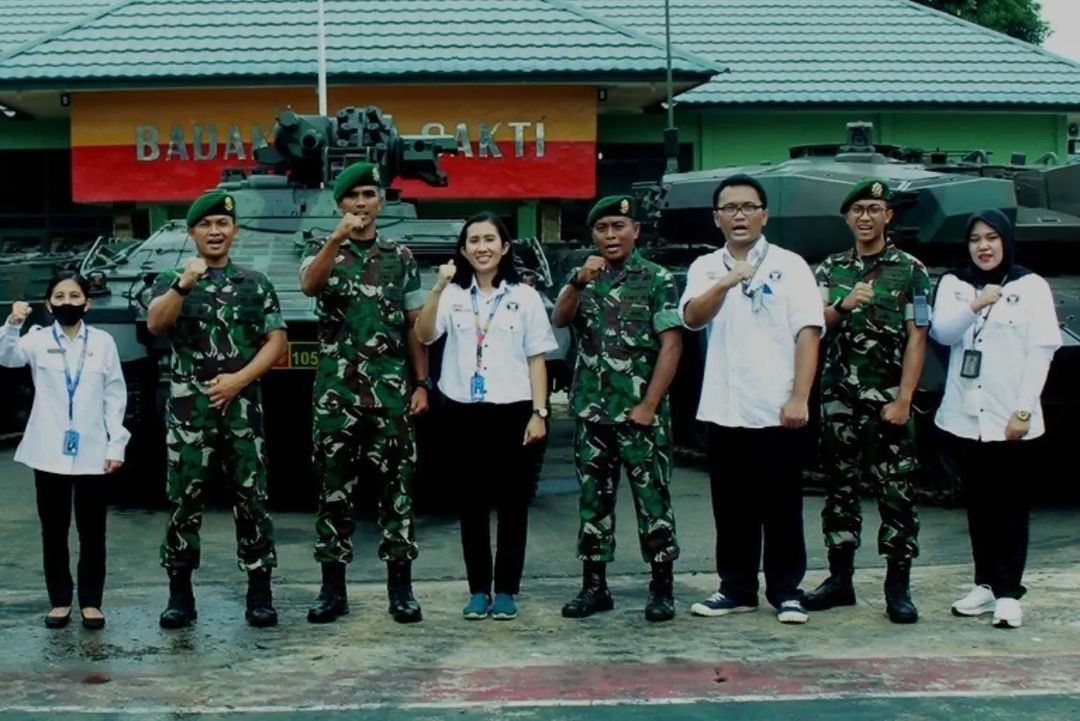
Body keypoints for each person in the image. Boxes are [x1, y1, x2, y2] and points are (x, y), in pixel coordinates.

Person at [679, 174, 823, 625]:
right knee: (731, 506)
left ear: (764, 213)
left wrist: (800, 396)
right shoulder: (705, 266)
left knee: (781, 505)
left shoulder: (791, 265)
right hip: (725, 407)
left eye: (748, 207)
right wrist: (725, 282)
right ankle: (736, 587)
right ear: (716, 217)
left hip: (777, 408)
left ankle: (786, 590)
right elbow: (692, 318)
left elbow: (808, 332)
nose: (739, 215)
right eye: (730, 208)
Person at [147, 191, 287, 629]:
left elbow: (277, 342)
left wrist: (239, 381)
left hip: (243, 412)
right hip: (190, 415)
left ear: (234, 231)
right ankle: (180, 593)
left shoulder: (255, 282)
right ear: (191, 233)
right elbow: (156, 323)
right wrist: (183, 284)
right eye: (205, 225)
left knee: (252, 500)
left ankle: (259, 593)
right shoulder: (172, 278)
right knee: (184, 501)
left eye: (222, 225)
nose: (215, 231)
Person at [300, 161, 430, 625]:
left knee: (397, 491)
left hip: (390, 393)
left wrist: (421, 383)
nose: (361, 204)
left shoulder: (401, 256)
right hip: (337, 394)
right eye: (352, 196)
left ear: (381, 201)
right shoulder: (322, 249)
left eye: (369, 194)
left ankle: (401, 589)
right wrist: (335, 239)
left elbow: (414, 325)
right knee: (334, 492)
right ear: (339, 204)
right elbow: (309, 285)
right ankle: (332, 590)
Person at [415, 212, 557, 621]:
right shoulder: (454, 295)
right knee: (471, 506)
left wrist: (539, 412)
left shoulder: (524, 297)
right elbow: (424, 335)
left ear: (504, 246)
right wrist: (438, 286)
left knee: (513, 506)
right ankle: (478, 590)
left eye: (490, 239)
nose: (482, 247)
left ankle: (507, 590)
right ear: (463, 250)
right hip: (462, 412)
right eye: (473, 240)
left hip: (513, 412)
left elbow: (536, 359)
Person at [803, 179, 931, 624]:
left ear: (888, 216)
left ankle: (898, 586)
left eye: (874, 208)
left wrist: (904, 398)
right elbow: (814, 325)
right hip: (839, 400)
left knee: (896, 494)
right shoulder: (830, 269)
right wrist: (843, 305)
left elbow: (919, 338)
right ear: (847, 217)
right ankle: (840, 581)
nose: (865, 217)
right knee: (839, 491)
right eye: (857, 209)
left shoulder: (911, 270)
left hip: (888, 402)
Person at [552, 195, 684, 623]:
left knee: (653, 502)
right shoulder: (583, 277)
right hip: (593, 413)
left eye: (618, 226)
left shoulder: (657, 277)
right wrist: (577, 282)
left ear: (636, 231)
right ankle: (595, 587)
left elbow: (671, 345)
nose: (610, 235)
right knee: (593, 503)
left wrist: (649, 404)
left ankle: (661, 588)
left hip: (639, 415)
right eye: (602, 228)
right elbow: (559, 319)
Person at [931, 209, 1060, 629]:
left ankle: (1008, 591)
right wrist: (976, 303)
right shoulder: (954, 284)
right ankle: (984, 585)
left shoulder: (1030, 286)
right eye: (975, 239)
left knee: (1010, 506)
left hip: (1010, 417)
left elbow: (1042, 349)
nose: (983, 246)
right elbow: (943, 333)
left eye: (991, 238)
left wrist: (1023, 409)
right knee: (979, 505)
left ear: (1006, 241)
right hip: (965, 417)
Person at [1, 272, 129, 629]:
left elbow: (115, 394)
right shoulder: (36, 340)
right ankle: (59, 600)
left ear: (87, 303)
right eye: (59, 296)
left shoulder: (102, 342)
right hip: (48, 449)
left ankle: (91, 601)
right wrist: (13, 323)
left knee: (93, 530)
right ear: (48, 304)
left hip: (93, 449)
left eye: (75, 296)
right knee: (53, 529)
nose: (67, 302)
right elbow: (6, 357)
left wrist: (116, 442)